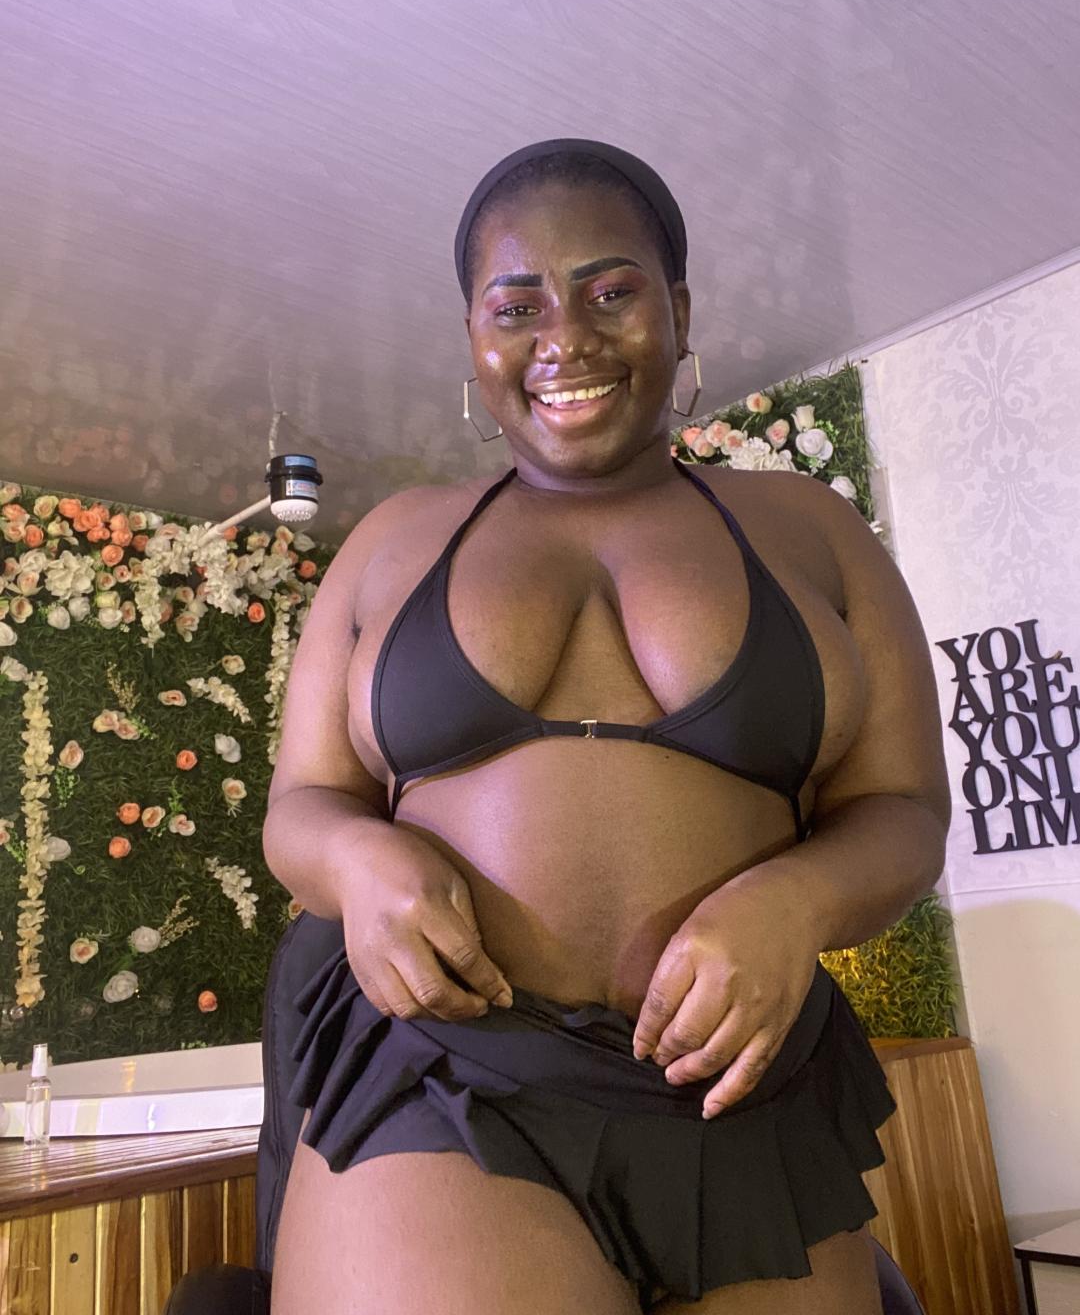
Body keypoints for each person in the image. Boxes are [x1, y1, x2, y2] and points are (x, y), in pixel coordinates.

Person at [263, 138, 950, 1315]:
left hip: (745, 1085)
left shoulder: (813, 532)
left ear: (678, 311)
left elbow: (904, 811)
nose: (564, 337)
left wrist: (798, 901)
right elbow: (303, 805)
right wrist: (360, 860)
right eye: (516, 305)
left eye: (610, 290)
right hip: (451, 1078)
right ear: (473, 338)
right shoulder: (388, 543)